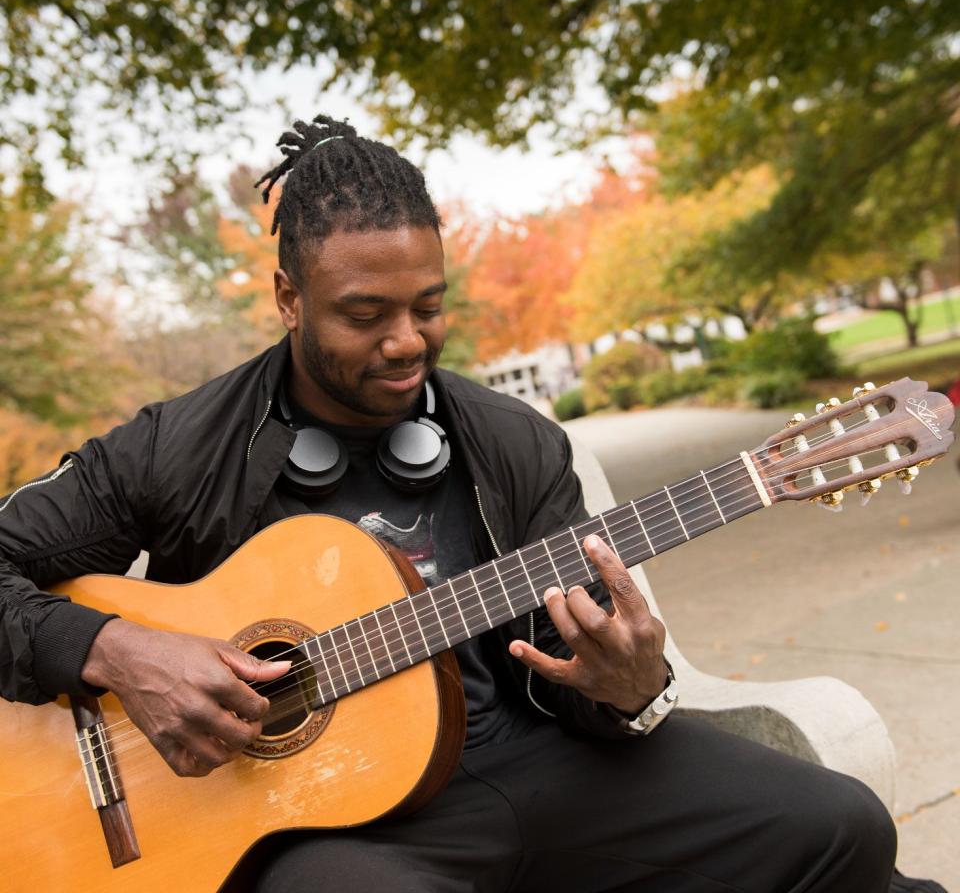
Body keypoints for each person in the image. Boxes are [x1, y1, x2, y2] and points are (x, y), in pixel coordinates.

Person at [1, 115, 898, 892]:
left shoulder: (515, 440)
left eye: (429, 306)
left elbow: (573, 669)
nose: (406, 341)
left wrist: (630, 688)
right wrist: (116, 651)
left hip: (533, 760)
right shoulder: (175, 446)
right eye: (365, 314)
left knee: (841, 826)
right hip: (328, 822)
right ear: (288, 298)